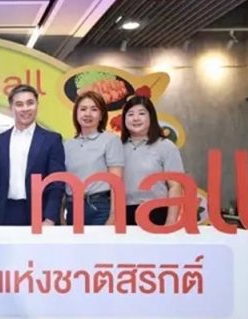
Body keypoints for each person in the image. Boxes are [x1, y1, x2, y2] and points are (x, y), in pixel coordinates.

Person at [0, 84, 65, 226]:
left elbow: (57, 182)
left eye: (30, 103)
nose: (25, 108)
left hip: (39, 214)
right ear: (11, 108)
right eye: (19, 104)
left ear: (37, 105)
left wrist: (50, 218)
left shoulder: (52, 140)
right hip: (3, 214)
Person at [63, 91, 124, 226]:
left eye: (94, 109)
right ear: (76, 113)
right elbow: (63, 181)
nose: (88, 114)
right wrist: (61, 215)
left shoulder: (111, 140)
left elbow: (116, 182)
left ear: (101, 115)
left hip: (100, 208)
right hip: (72, 207)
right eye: (83, 109)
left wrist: (114, 216)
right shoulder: (67, 145)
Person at [121, 95, 184, 226]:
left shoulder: (166, 146)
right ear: (124, 119)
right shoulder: (116, 147)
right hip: (123, 212)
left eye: (141, 113)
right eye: (130, 114)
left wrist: (170, 221)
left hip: (156, 211)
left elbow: (175, 186)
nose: (136, 118)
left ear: (151, 117)